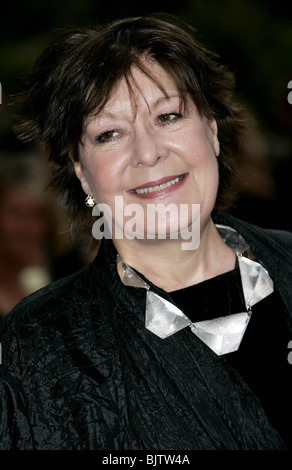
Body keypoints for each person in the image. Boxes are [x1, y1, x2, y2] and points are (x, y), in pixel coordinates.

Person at [0, 14, 291, 451]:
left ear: (212, 132)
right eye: (109, 133)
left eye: (168, 116)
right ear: (82, 173)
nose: (149, 154)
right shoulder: (40, 345)